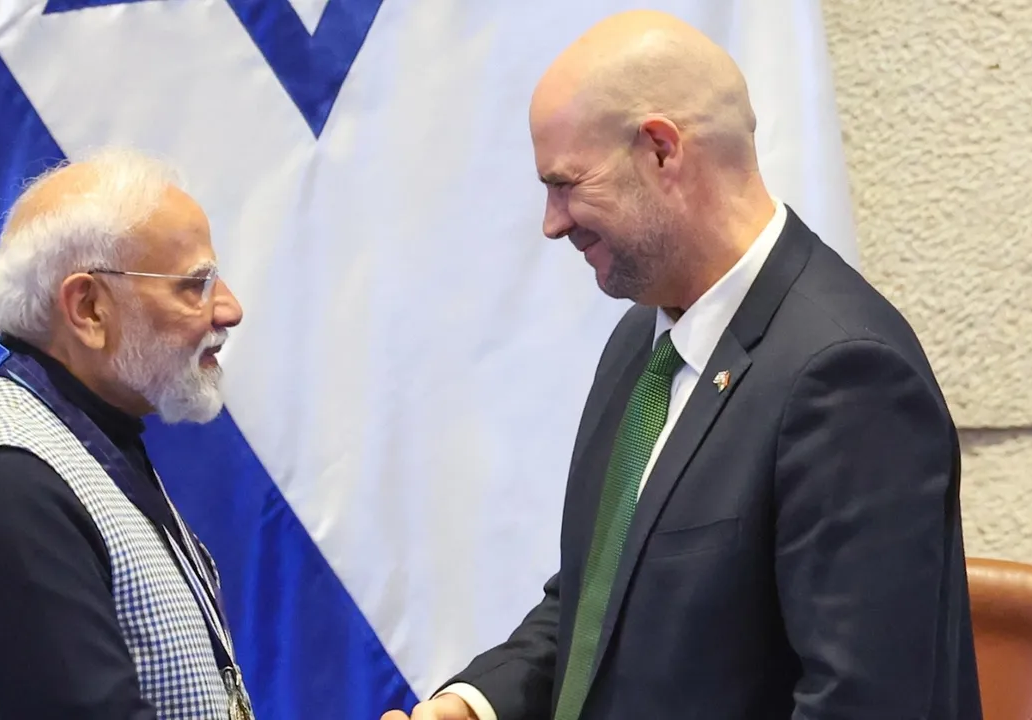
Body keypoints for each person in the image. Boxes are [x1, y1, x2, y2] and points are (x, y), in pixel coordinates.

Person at [385, 10, 981, 720]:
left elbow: (863, 706)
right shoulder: (644, 345)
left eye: (566, 183)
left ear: (662, 151)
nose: (552, 221)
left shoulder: (847, 377)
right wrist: (476, 705)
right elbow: (603, 596)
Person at [0, 148, 253, 719]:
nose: (229, 309)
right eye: (194, 285)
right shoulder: (5, 488)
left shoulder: (69, 433)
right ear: (89, 308)